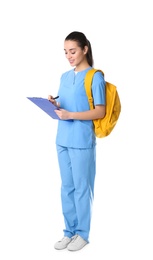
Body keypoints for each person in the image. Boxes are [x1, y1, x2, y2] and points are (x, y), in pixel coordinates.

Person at [48, 31, 106, 251]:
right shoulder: (65, 76)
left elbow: (99, 111)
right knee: (67, 187)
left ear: (85, 49)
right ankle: (69, 232)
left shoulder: (95, 77)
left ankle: (82, 233)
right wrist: (55, 103)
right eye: (65, 52)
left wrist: (71, 115)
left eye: (72, 51)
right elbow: (67, 100)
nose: (68, 56)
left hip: (82, 140)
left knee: (82, 187)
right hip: (62, 138)